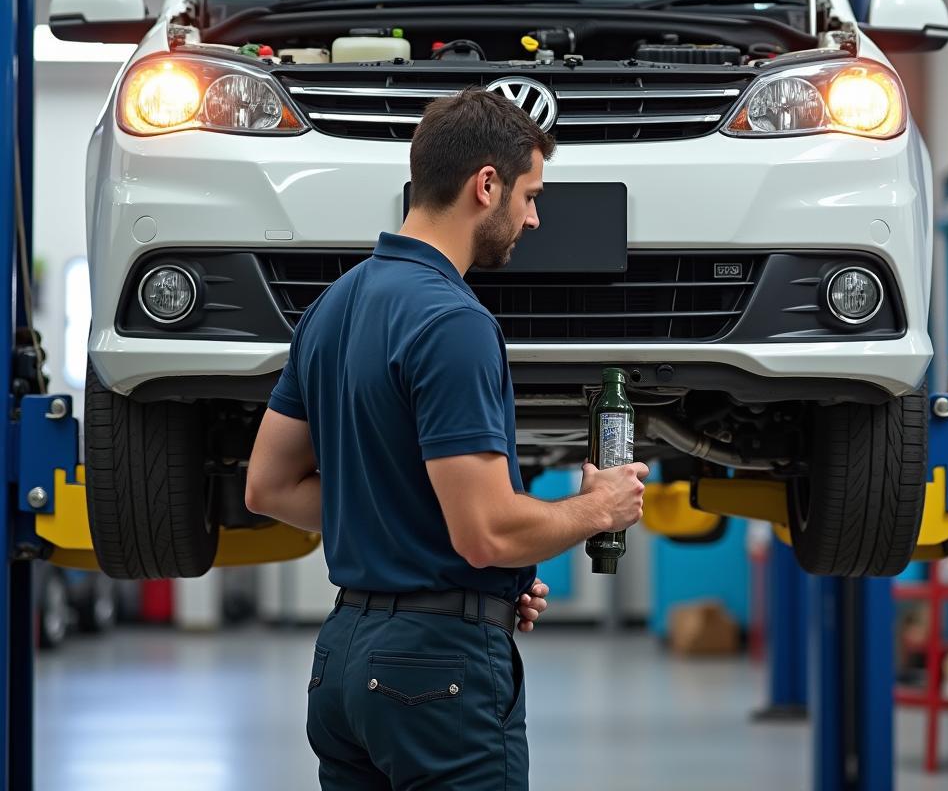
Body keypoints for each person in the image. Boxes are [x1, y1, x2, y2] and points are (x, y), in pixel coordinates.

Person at [245, 87, 649, 790]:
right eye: (528, 194)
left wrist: (480, 578)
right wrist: (599, 509)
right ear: (484, 184)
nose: (533, 216)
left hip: (343, 659)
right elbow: (485, 534)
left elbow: (269, 486)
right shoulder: (452, 322)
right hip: (433, 676)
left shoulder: (332, 307)